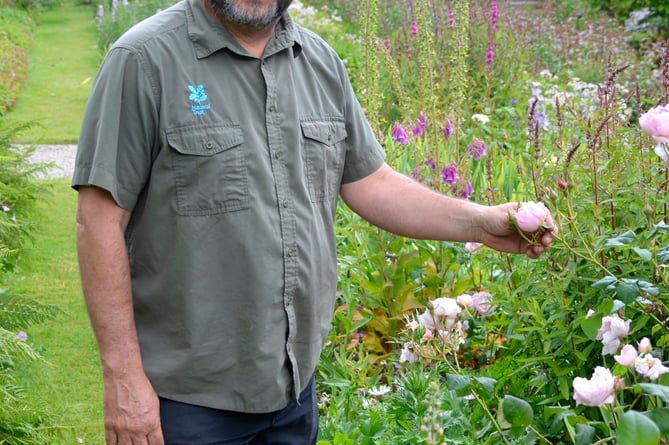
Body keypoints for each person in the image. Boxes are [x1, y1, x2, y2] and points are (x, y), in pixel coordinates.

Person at [73, 0, 556, 444]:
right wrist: (122, 377)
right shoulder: (143, 60)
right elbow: (98, 223)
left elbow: (373, 183)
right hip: (185, 401)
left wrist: (480, 223)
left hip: (293, 392)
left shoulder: (319, 63)